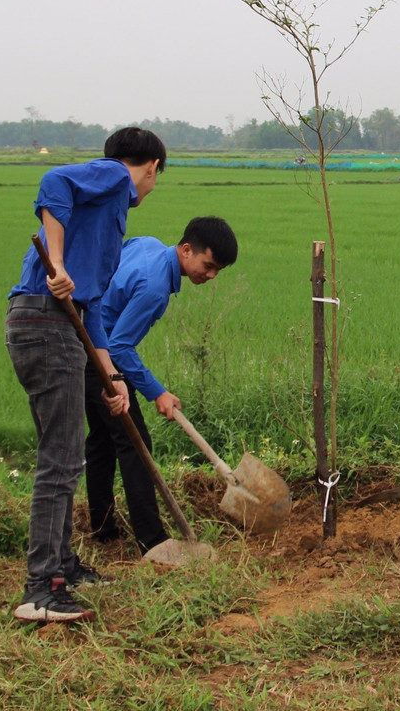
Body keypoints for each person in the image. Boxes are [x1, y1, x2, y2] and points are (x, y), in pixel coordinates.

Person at [4, 127, 166, 623]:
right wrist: (55, 261)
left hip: (63, 323)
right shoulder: (116, 179)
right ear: (152, 167)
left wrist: (111, 377)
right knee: (61, 458)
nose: (151, 188)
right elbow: (54, 182)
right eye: (157, 178)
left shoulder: (110, 219)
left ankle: (64, 566)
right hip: (45, 322)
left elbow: (91, 306)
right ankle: (41, 588)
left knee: (67, 455)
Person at [85, 216, 239, 554]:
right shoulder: (156, 287)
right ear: (186, 250)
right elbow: (120, 346)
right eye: (208, 265)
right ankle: (151, 541)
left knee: (102, 440)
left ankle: (103, 529)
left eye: (218, 271)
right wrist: (157, 391)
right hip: (99, 357)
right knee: (135, 442)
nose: (211, 276)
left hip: (85, 343)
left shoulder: (148, 245)